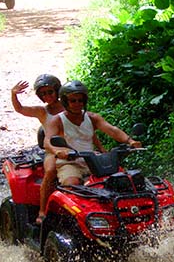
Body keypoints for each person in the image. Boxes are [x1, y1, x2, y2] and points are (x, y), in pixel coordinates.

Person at [10, 74, 104, 224]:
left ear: (57, 91)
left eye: (50, 92)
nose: (47, 96)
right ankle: (42, 211)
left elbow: (88, 131)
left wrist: (102, 150)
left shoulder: (71, 105)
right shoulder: (42, 111)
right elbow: (20, 109)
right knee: (51, 170)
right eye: (43, 93)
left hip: (80, 149)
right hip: (54, 150)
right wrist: (14, 94)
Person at [44, 80, 141, 186]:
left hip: (92, 161)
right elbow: (47, 142)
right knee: (71, 185)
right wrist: (57, 151)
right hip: (70, 162)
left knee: (120, 183)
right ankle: (45, 202)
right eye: (73, 101)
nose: (77, 104)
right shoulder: (57, 120)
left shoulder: (92, 117)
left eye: (80, 100)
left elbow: (112, 130)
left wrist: (130, 141)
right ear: (65, 102)